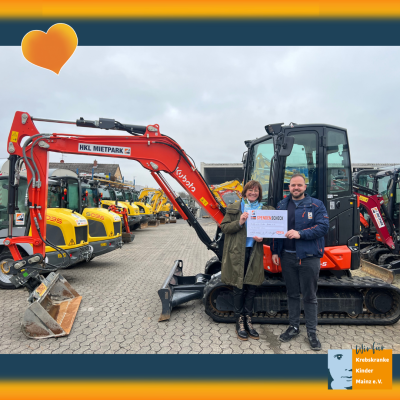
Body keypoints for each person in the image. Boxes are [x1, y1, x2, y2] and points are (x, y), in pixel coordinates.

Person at [271, 174, 329, 351]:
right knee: (292, 294)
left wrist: (300, 234)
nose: (295, 188)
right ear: (289, 187)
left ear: (305, 187)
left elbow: (323, 227)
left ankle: (312, 332)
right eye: (293, 185)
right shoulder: (281, 205)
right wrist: (275, 251)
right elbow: (276, 230)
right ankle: (294, 327)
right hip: (287, 257)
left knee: (310, 296)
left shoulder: (316, 205)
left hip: (309, 257)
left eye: (299, 185)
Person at [220, 180, 274, 341]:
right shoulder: (235, 208)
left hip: (254, 251)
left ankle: (248, 319)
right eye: (250, 190)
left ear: (259, 194)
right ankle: (239, 320)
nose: (253, 192)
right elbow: (224, 227)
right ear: (245, 192)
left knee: (251, 286)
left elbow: (272, 231)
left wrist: (263, 238)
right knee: (238, 286)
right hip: (238, 252)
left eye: (256, 190)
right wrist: (240, 222)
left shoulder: (264, 210)